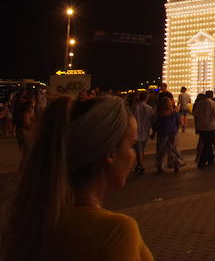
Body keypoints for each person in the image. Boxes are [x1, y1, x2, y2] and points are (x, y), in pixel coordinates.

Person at [1, 95, 154, 261]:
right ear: (111, 153)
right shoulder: (116, 231)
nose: (134, 156)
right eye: (131, 145)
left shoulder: (33, 222)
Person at [153, 95, 184, 173]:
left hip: (162, 134)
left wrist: (154, 133)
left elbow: (156, 125)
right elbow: (180, 122)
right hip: (172, 134)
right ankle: (176, 164)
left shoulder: (160, 114)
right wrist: (176, 129)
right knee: (173, 150)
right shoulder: (174, 113)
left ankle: (161, 166)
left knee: (161, 151)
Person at [193, 91, 215, 168]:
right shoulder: (213, 103)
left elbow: (196, 115)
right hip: (211, 127)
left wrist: (196, 127)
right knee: (208, 144)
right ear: (211, 96)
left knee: (206, 143)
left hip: (202, 127)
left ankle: (210, 160)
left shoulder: (200, 104)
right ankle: (202, 161)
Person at [131, 92, 155, 175]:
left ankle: (140, 165)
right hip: (146, 130)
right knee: (141, 149)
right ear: (146, 98)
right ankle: (140, 165)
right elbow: (153, 120)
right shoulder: (149, 108)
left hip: (136, 130)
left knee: (139, 149)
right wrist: (154, 132)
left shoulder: (134, 107)